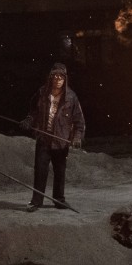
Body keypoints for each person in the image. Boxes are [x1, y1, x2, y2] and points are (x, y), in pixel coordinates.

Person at [20, 62, 85, 211]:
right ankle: (36, 202)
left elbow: (79, 121)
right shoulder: (42, 92)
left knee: (60, 172)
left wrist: (76, 138)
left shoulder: (71, 97)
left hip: (60, 142)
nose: (57, 79)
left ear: (65, 79)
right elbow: (33, 110)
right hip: (44, 139)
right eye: (54, 76)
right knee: (40, 171)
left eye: (60, 76)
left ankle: (59, 201)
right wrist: (29, 119)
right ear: (50, 77)